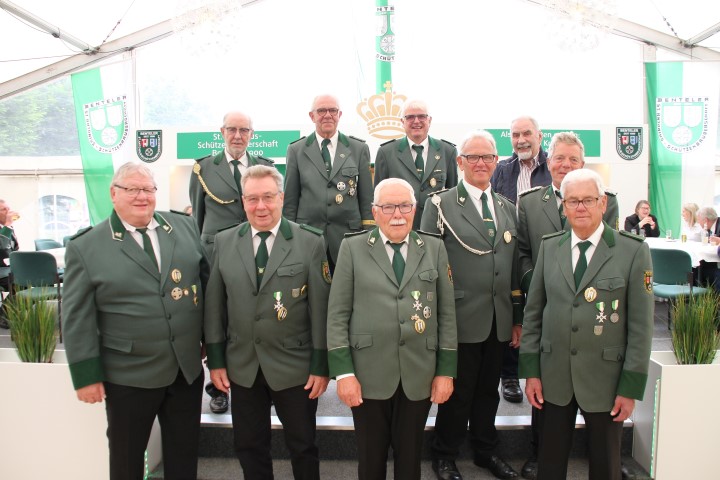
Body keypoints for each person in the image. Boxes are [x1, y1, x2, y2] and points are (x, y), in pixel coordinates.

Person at [63, 162, 209, 480]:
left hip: (185, 369)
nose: (141, 196)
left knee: (184, 454)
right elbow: (76, 318)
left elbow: (205, 286)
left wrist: (208, 342)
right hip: (128, 373)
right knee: (127, 459)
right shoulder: (86, 246)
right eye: (132, 189)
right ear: (114, 194)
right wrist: (86, 376)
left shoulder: (184, 226)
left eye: (147, 189)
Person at [519, 168, 653, 480]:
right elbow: (533, 313)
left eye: (588, 200)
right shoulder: (549, 247)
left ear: (603, 203)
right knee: (549, 463)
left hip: (606, 380)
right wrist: (531, 373)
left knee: (606, 464)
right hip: (554, 377)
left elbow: (641, 327)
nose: (580, 207)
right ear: (563, 207)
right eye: (573, 201)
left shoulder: (633, 251)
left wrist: (630, 387)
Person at [204, 165, 330, 480]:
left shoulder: (310, 242)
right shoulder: (224, 241)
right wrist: (216, 361)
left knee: (303, 445)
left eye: (268, 197)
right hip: (243, 365)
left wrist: (321, 365)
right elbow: (215, 306)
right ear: (243, 201)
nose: (260, 206)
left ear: (281, 198)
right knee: (249, 445)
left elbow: (321, 309)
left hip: (295, 366)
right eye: (252, 199)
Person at [327, 178, 457, 480]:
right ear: (374, 211)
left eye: (404, 206)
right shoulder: (352, 248)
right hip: (367, 373)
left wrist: (445, 371)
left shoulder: (434, 248)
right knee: (370, 458)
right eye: (388, 207)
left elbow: (447, 314)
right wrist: (344, 374)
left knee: (410, 459)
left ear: (415, 209)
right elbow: (337, 315)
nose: (397, 214)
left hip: (419, 372)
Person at [515, 131, 622, 479]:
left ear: (583, 163)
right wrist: (536, 282)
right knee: (547, 397)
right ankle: (539, 454)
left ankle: (602, 458)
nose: (565, 164)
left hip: (594, 314)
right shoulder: (530, 202)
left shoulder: (607, 200)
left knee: (597, 399)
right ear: (549, 162)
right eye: (559, 158)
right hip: (546, 305)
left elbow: (611, 252)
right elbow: (523, 253)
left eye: (573, 159)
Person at [421, 130, 524, 480]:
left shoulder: (507, 208)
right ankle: (444, 454)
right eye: (473, 157)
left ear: (496, 162)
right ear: (460, 162)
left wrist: (516, 317)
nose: (481, 163)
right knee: (457, 392)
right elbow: (428, 267)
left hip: (498, 318)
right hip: (459, 317)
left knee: (488, 392)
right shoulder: (440, 205)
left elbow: (512, 268)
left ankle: (485, 450)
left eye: (488, 157)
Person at [189, 110, 274, 414]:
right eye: (232, 129)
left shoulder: (265, 166)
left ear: (252, 134)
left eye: (244, 130)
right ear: (222, 132)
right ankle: (218, 388)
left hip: (256, 251)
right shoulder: (203, 169)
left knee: (254, 316)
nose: (238, 136)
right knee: (218, 318)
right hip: (217, 256)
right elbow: (198, 219)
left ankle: (263, 381)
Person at [490, 116, 550, 405]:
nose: (521, 140)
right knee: (512, 311)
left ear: (540, 136)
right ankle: (510, 375)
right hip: (509, 251)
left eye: (527, 133)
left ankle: (544, 371)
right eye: (515, 135)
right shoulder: (502, 169)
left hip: (542, 251)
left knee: (543, 312)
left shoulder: (553, 166)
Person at [283, 94, 375, 271]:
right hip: (308, 236)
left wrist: (368, 234)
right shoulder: (296, 150)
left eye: (333, 110)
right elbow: (290, 202)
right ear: (312, 116)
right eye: (321, 111)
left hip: (349, 238)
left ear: (339, 115)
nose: (327, 115)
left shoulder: (358, 148)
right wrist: (288, 238)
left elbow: (366, 199)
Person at [373, 99, 458, 228]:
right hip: (399, 227)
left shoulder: (447, 151)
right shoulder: (386, 153)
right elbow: (379, 198)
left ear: (429, 120)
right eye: (410, 117)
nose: (416, 121)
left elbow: (452, 197)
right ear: (402, 122)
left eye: (421, 116)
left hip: (436, 229)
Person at [0, 199, 19, 329]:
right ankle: (4, 315)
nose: (8, 212)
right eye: (4, 209)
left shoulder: (6, 228)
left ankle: (6, 313)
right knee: (21, 282)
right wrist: (7, 225)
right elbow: (2, 247)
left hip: (7, 268)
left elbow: (14, 249)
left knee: (33, 279)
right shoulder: (6, 228)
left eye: (8, 208)